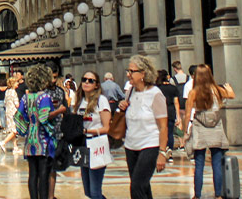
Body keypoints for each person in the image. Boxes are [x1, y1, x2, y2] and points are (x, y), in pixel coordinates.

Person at [120, 55, 168, 199]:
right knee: (144, 186)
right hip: (131, 145)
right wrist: (123, 106)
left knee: (137, 186)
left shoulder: (155, 94)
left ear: (143, 73)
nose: (128, 74)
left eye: (132, 71)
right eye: (128, 71)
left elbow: (163, 127)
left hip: (149, 145)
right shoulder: (130, 92)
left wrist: (162, 153)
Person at [185, 65, 235, 199]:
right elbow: (231, 95)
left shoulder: (193, 92)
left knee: (199, 164)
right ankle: (218, 194)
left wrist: (185, 130)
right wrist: (229, 89)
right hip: (215, 127)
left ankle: (197, 195)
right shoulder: (217, 90)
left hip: (200, 128)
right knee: (216, 163)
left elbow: (188, 112)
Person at [14, 64, 56, 199]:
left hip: (30, 140)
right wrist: (57, 114)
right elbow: (44, 118)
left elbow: (19, 116)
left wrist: (25, 129)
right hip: (42, 139)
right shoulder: (44, 97)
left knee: (32, 174)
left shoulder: (26, 98)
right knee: (43, 174)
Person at [75, 70, 111, 199]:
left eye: (91, 80)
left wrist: (88, 131)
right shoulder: (80, 101)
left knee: (95, 191)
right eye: (84, 79)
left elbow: (106, 128)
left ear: (96, 85)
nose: (86, 82)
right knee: (88, 191)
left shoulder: (101, 101)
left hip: (97, 144)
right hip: (83, 145)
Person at [45, 62, 67, 199]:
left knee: (53, 167)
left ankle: (51, 196)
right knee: (43, 168)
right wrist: (57, 111)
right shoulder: (40, 92)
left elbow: (66, 109)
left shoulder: (60, 91)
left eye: (55, 77)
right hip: (43, 134)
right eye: (51, 77)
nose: (53, 81)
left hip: (57, 133)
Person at [155, 70, 181, 160]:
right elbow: (176, 102)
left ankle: (161, 151)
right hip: (170, 111)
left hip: (159, 112)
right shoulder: (173, 88)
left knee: (160, 132)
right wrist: (178, 116)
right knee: (170, 133)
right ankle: (169, 152)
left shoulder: (156, 88)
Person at [0, 76, 22, 153]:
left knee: (12, 130)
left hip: (8, 112)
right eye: (16, 82)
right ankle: (3, 142)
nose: (17, 83)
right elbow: (17, 104)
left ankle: (15, 147)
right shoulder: (13, 92)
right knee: (15, 130)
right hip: (14, 112)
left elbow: (5, 102)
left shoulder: (7, 92)